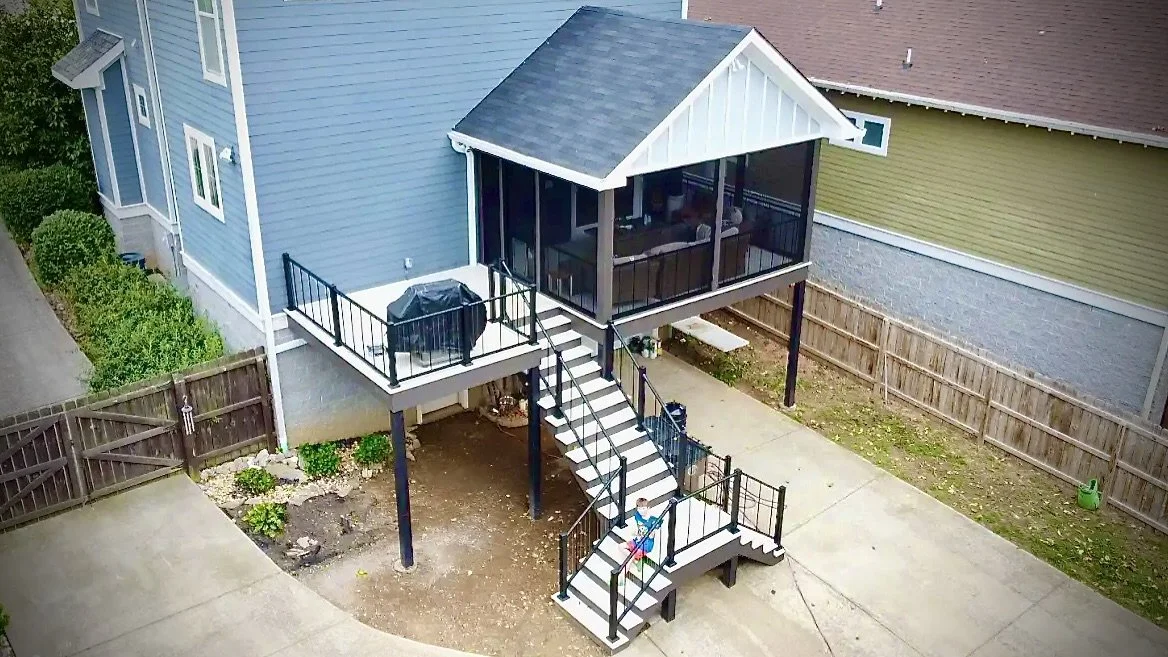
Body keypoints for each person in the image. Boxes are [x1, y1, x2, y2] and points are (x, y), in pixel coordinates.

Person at [625, 498, 661, 577]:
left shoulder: (652, 520)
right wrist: (637, 534)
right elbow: (635, 530)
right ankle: (637, 561)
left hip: (647, 544)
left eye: (644, 508)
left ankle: (622, 575)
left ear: (648, 508)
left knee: (631, 556)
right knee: (621, 546)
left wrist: (652, 529)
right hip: (638, 539)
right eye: (639, 509)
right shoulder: (637, 516)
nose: (641, 511)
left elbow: (652, 536)